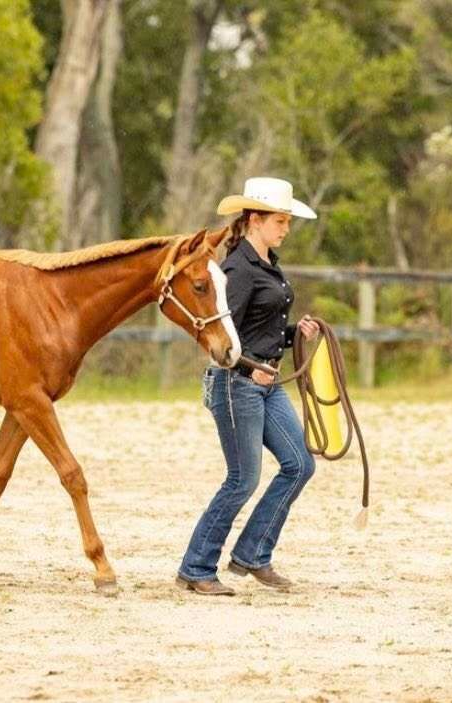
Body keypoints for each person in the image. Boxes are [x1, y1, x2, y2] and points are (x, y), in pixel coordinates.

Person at [175, 177, 320, 596]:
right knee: (242, 478)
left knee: (300, 464)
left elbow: (260, 329)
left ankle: (253, 554)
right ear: (255, 220)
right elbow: (219, 337)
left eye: (287, 221)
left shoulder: (267, 263)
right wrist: (248, 367)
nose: (286, 228)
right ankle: (196, 567)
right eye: (279, 221)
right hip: (236, 383)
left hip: (266, 382)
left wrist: (295, 334)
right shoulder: (237, 270)